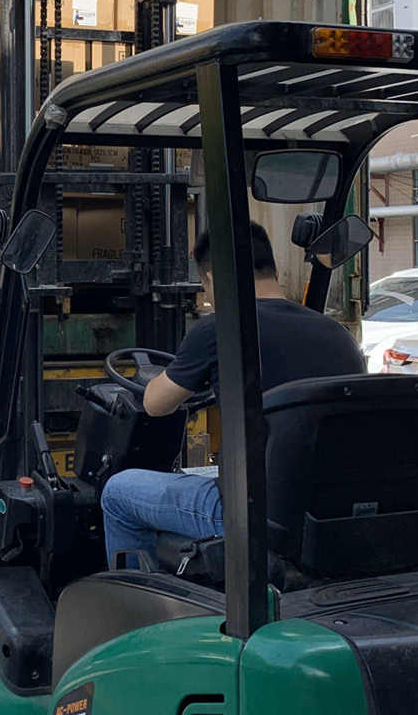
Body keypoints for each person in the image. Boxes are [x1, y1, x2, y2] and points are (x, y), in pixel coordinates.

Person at [101, 220, 365, 569]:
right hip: (328, 509)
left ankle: (134, 606)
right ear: (270, 268)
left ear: (211, 277)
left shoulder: (220, 328)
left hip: (254, 513)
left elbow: (154, 404)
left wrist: (159, 377)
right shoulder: (338, 336)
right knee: (202, 474)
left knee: (118, 491)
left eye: (204, 285)